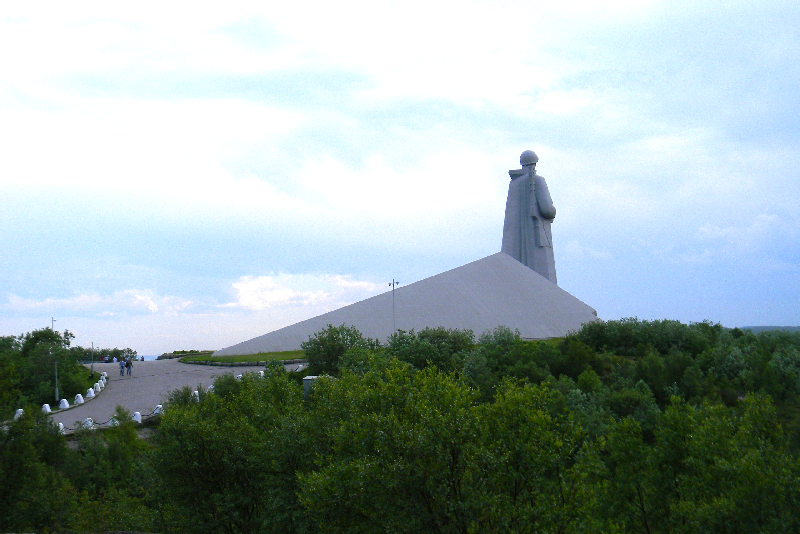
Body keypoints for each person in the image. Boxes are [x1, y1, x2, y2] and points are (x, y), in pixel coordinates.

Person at [501, 150, 558, 284]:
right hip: (537, 237)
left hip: (516, 248)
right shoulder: (537, 180)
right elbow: (547, 210)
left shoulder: (514, 184)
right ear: (534, 164)